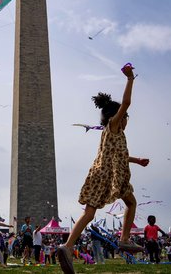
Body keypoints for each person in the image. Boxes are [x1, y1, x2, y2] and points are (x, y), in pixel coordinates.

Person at [56, 64, 149, 274]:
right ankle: (124, 239)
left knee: (89, 213)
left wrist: (137, 160)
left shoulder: (110, 134)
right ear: (117, 116)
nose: (126, 120)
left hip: (98, 174)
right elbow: (126, 102)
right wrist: (130, 79)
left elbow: (120, 156)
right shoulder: (114, 125)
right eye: (126, 117)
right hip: (110, 176)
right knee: (131, 202)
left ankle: (67, 247)